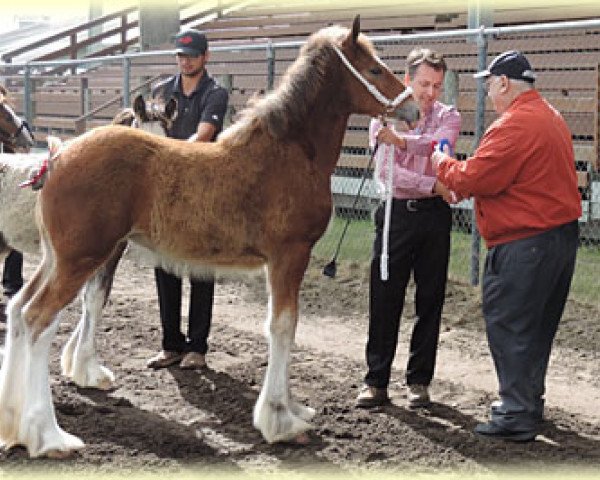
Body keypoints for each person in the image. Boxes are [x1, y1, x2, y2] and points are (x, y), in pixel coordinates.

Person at [431, 50, 581, 441]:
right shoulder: (549, 115)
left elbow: (473, 180)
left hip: (525, 244)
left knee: (510, 324)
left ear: (503, 83)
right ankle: (529, 401)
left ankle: (516, 413)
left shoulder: (513, 124)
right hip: (559, 238)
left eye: (488, 84)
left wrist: (441, 162)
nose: (486, 92)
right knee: (536, 328)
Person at [355, 48, 461, 409]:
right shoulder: (382, 118)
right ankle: (377, 380)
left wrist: (401, 143)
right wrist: (430, 184)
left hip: (433, 219)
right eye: (424, 84)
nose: (430, 93)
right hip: (395, 215)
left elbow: (438, 147)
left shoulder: (449, 116)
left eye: (437, 85)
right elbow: (386, 172)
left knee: (429, 300)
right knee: (385, 298)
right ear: (407, 81)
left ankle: (419, 381)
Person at [146, 29, 229, 370]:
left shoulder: (215, 93)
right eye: (181, 56)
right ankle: (171, 344)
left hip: (201, 188)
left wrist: (167, 157)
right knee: (164, 265)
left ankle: (197, 346)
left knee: (200, 268)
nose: (186, 61)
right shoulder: (161, 91)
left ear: (205, 57)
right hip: (164, 189)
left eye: (192, 55)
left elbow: (204, 137)